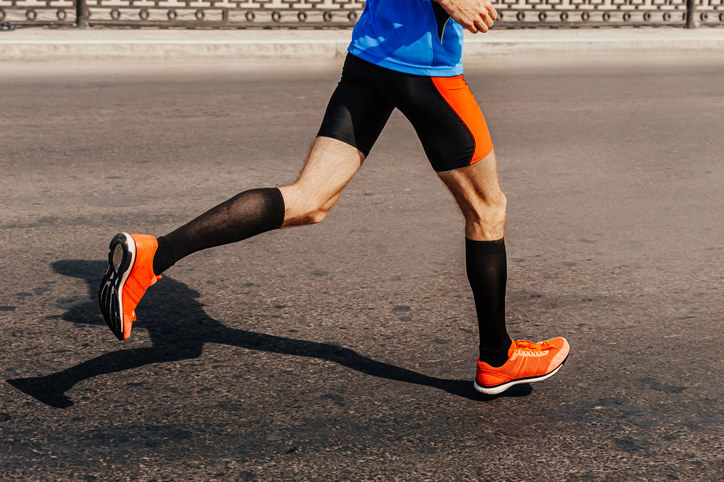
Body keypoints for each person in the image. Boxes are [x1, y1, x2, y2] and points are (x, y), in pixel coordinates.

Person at [99, 0, 569, 395]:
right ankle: (497, 358)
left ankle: (155, 255)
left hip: (369, 59)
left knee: (309, 200)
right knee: (488, 209)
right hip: (423, 67)